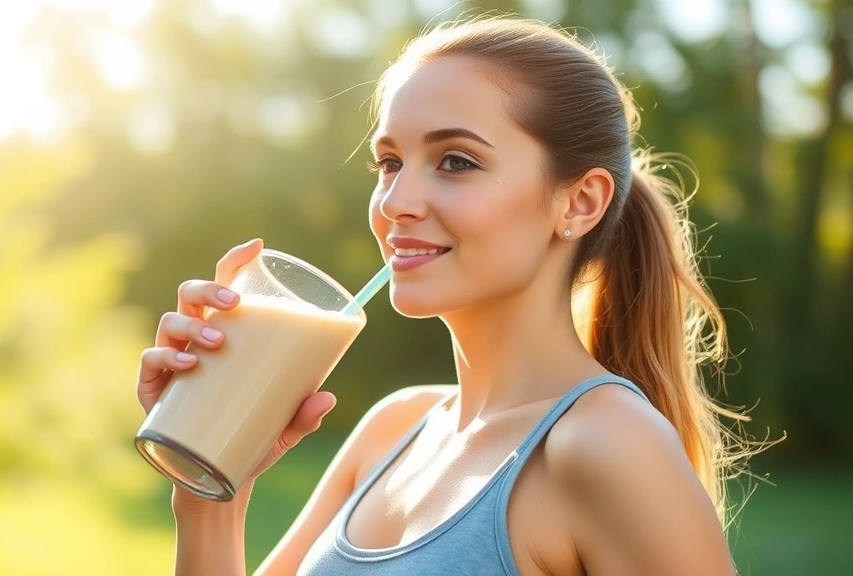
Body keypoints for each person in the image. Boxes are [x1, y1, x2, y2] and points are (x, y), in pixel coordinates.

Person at [135, 15, 752, 576]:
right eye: (389, 162)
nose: (396, 202)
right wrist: (212, 488)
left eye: (456, 162)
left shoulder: (606, 445)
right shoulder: (393, 428)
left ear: (579, 202)